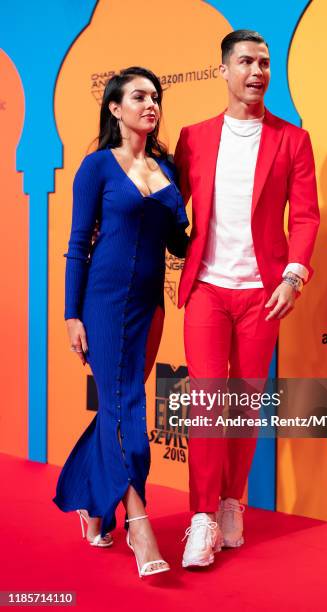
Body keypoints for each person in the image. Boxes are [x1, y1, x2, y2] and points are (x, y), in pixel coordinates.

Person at [174, 30, 320, 568]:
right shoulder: (194, 137)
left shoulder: (292, 139)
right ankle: (201, 518)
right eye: (245, 62)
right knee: (208, 404)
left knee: (243, 403)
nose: (257, 71)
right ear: (224, 70)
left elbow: (305, 216)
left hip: (264, 292)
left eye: (264, 63)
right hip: (208, 290)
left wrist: (293, 276)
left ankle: (234, 501)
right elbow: (170, 208)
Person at [53, 66, 189, 578]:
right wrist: (71, 314)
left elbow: (178, 241)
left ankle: (90, 503)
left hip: (150, 306)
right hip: (104, 304)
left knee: (118, 405)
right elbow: (76, 248)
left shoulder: (167, 170)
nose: (150, 104)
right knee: (126, 406)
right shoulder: (96, 168)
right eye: (138, 96)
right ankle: (139, 522)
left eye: (155, 96)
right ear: (115, 108)